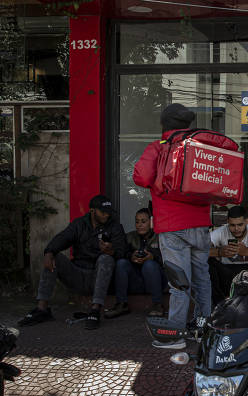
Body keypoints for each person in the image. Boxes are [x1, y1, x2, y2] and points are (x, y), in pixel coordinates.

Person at [133, 103, 213, 349]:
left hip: (172, 226)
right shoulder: (201, 147)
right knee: (202, 278)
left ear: (163, 125)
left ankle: (175, 335)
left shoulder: (159, 148)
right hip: (201, 224)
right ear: (187, 125)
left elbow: (140, 177)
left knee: (179, 282)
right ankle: (204, 330)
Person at [17, 194, 127, 330]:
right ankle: (42, 309)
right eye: (103, 212)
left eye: (109, 213)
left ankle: (95, 310)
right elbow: (63, 238)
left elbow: (122, 252)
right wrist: (49, 252)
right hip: (78, 275)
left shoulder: (115, 226)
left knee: (106, 259)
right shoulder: (79, 224)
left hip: (100, 279)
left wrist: (111, 251)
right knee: (54, 257)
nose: (107, 216)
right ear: (92, 211)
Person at [106, 208, 166, 319]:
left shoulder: (161, 237)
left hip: (156, 281)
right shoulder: (130, 237)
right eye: (137, 221)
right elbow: (120, 253)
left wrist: (153, 256)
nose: (139, 225)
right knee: (121, 263)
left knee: (149, 264)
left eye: (143, 221)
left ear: (152, 222)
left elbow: (170, 259)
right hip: (136, 281)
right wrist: (131, 256)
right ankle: (121, 304)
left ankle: (158, 305)